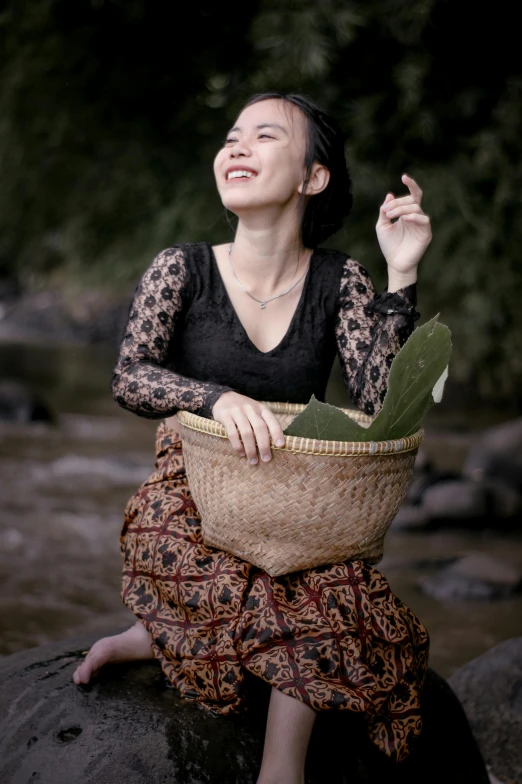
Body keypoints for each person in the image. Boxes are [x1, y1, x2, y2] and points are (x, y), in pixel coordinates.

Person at [73, 92, 432, 784]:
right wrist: (216, 397)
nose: (235, 147)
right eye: (231, 136)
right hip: (192, 495)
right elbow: (129, 377)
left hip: (299, 498)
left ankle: (280, 770)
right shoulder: (182, 268)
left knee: (329, 582)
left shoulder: (341, 280)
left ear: (312, 176)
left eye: (263, 136)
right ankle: (153, 634)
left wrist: (402, 270)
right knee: (233, 577)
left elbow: (383, 404)